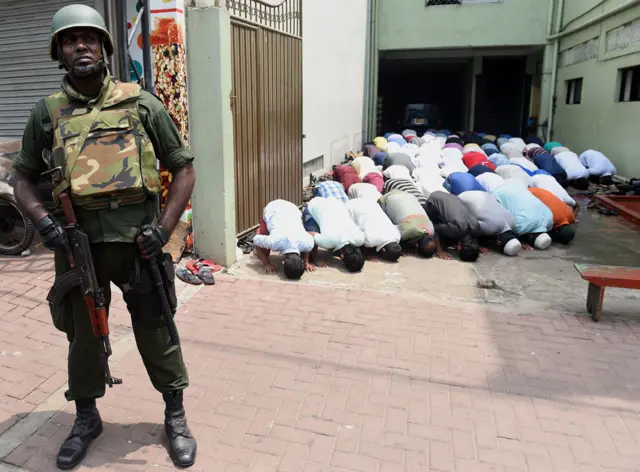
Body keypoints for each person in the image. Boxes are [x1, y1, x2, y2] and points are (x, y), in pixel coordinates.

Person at [11, 5, 197, 469]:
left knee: (157, 331)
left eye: (89, 39)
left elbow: (184, 167)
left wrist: (164, 229)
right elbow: (23, 179)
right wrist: (43, 222)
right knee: (84, 339)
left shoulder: (141, 103)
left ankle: (175, 415)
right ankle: (87, 417)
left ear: (104, 48)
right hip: (79, 251)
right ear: (59, 52)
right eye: (70, 40)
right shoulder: (47, 113)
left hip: (140, 245)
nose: (81, 46)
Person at [253, 200, 316, 278]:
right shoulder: (274, 242)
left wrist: (306, 262)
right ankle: (261, 229)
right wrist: (266, 264)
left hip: (292, 208)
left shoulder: (308, 243)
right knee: (263, 253)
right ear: (283, 261)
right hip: (273, 208)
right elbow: (255, 239)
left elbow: (307, 247)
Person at [304, 197, 366, 272]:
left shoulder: (360, 239)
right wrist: (310, 260)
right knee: (313, 232)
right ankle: (313, 257)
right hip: (314, 206)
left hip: (336, 202)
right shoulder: (329, 241)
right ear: (342, 256)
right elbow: (309, 234)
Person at [493, 180, 553, 250]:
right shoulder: (520, 226)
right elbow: (506, 231)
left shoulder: (549, 219)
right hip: (498, 192)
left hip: (516, 186)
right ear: (530, 237)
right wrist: (520, 242)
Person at [458, 190, 522, 256]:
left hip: (484, 194)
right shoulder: (490, 228)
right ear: (498, 243)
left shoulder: (513, 222)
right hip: (464, 198)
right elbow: (469, 227)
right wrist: (476, 247)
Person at [378, 189, 437, 258]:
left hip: (408, 195)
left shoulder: (431, 230)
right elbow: (391, 234)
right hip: (387, 198)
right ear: (417, 246)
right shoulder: (406, 231)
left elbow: (419, 231)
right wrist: (401, 248)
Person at [424, 191, 481, 261]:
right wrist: (439, 250)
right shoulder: (456, 228)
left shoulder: (476, 227)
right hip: (434, 200)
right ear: (459, 247)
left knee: (450, 233)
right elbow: (435, 228)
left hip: (451, 197)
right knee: (433, 228)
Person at [346, 198, 402, 262]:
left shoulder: (397, 235)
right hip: (351, 206)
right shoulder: (370, 240)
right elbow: (360, 243)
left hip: (371, 202)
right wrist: (367, 254)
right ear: (383, 250)